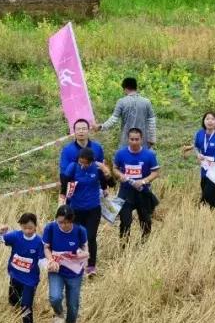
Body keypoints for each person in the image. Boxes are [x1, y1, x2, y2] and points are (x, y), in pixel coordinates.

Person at [62, 147, 114, 277]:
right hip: (76, 209)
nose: (83, 165)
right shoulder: (73, 167)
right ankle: (76, 264)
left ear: (91, 161)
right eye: (81, 161)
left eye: (86, 162)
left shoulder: (97, 169)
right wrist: (65, 197)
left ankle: (91, 266)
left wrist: (107, 172)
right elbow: (64, 184)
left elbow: (110, 184)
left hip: (93, 209)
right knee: (76, 238)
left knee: (90, 237)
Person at [0, 213, 45, 323]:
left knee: (26, 305)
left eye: (30, 228)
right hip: (15, 276)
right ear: (21, 227)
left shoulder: (39, 242)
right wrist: (0, 232)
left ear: (35, 226)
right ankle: (16, 312)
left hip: (30, 281)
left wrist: (50, 266)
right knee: (13, 301)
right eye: (24, 228)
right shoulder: (15, 236)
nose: (27, 231)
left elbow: (42, 260)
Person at [42, 205, 89, 323]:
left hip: (74, 272)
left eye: (67, 223)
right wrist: (51, 260)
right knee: (55, 297)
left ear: (72, 220)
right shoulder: (50, 228)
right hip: (56, 270)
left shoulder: (80, 230)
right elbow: (46, 247)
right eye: (61, 222)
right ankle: (59, 315)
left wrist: (83, 255)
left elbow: (85, 248)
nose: (63, 225)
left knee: (73, 305)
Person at [112, 127, 160, 242]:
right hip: (125, 192)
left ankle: (144, 244)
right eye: (131, 139)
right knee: (125, 221)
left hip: (143, 192)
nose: (134, 142)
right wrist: (120, 175)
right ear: (128, 139)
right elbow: (114, 168)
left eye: (136, 139)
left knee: (145, 220)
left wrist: (143, 181)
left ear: (141, 139)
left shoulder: (149, 155)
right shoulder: (120, 153)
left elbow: (156, 172)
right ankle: (124, 247)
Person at [182, 111, 215, 210]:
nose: (210, 121)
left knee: (208, 194)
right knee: (205, 196)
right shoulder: (199, 134)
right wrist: (198, 155)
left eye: (213, 119)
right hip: (204, 170)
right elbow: (196, 147)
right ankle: (214, 212)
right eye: (207, 119)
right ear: (204, 121)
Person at [99, 77, 157, 151]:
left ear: (125, 88)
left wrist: (102, 126)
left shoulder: (121, 102)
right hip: (142, 141)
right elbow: (152, 121)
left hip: (126, 141)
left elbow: (113, 120)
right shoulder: (146, 102)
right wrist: (152, 139)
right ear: (136, 88)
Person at [58, 118, 105, 185]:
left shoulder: (97, 147)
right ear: (74, 131)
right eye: (78, 129)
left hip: (95, 187)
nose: (81, 131)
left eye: (84, 129)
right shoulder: (67, 150)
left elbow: (101, 168)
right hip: (76, 188)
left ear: (88, 130)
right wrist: (64, 191)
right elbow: (63, 171)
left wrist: (104, 187)